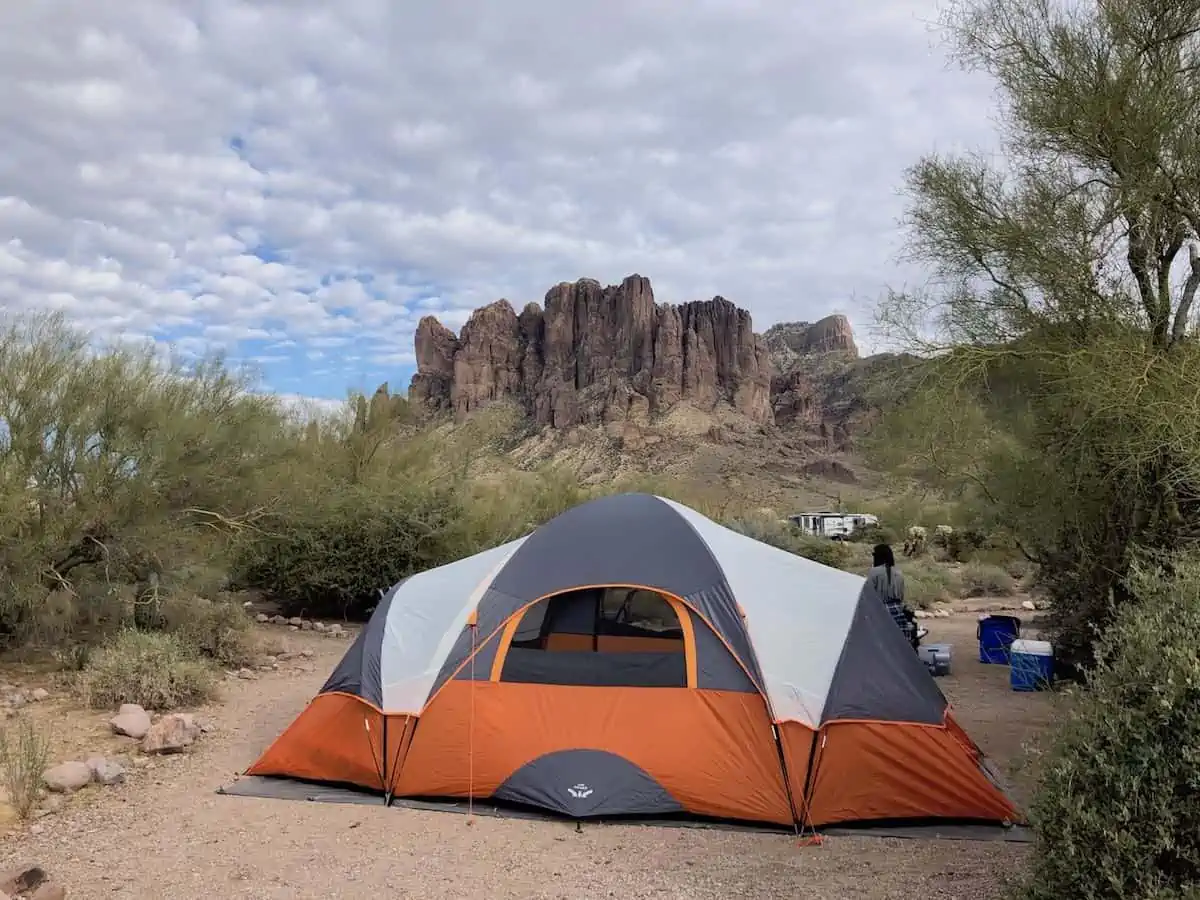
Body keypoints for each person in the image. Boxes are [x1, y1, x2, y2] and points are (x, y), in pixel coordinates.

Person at [867, 543, 917, 649]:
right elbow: (901, 597)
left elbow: (869, 595)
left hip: (880, 612)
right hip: (898, 611)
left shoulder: (873, 572)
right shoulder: (898, 573)